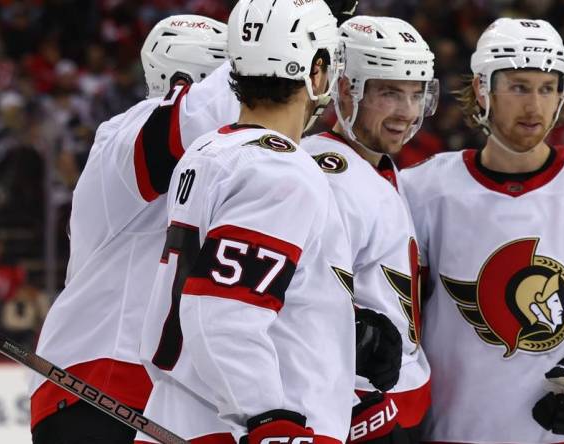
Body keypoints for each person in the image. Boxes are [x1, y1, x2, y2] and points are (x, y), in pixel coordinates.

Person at [400, 18, 564, 443]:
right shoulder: (421, 191)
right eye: (519, 87)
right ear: (482, 89)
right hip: (456, 432)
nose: (535, 106)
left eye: (548, 88)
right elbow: (399, 317)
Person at [134, 1, 355, 444]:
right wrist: (267, 417)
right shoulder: (279, 171)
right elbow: (222, 308)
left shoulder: (209, 151)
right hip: (247, 428)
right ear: (316, 72)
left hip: (186, 411)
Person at [29, 15, 229, 444]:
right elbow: (187, 124)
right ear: (183, 79)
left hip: (173, 395)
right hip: (100, 380)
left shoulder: (225, 166)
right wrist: (273, 50)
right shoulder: (126, 133)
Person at [300, 16, 438, 444]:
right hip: (356, 405)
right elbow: (298, 296)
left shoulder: (381, 167)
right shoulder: (321, 172)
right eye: (390, 93)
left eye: (416, 94)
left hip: (398, 402)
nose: (408, 112)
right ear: (345, 89)